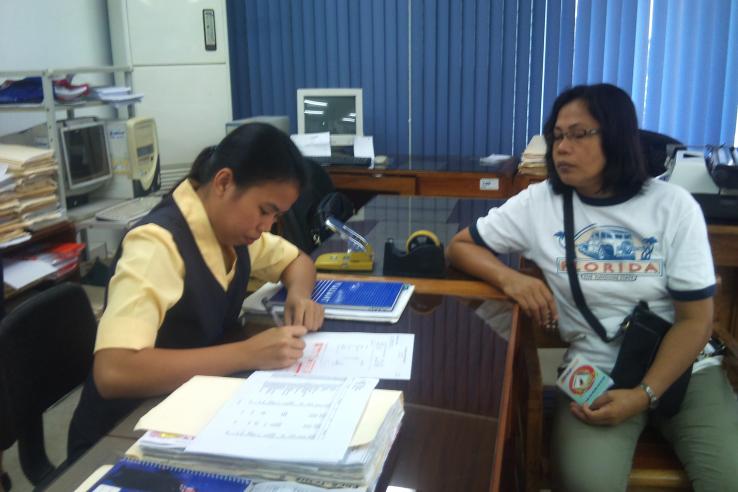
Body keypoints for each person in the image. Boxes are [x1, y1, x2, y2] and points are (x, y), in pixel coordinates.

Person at [447, 84, 738, 491]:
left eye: (579, 134)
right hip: (595, 367)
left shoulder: (673, 206)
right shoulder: (539, 203)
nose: (562, 147)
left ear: (617, 136)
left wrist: (642, 395)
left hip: (684, 368)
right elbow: (459, 247)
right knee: (586, 483)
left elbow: (695, 320)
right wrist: (510, 278)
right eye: (557, 136)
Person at [68, 123, 325, 460]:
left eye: (276, 215)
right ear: (223, 182)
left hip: (186, 410)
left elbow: (298, 261)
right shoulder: (156, 244)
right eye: (264, 210)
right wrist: (247, 353)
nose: (266, 226)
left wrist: (299, 296)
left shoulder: (233, 232)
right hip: (121, 436)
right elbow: (114, 371)